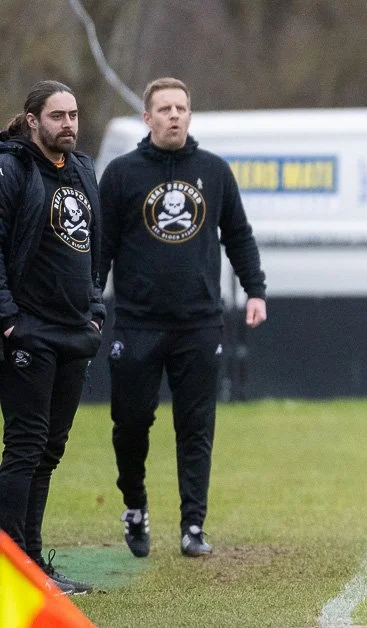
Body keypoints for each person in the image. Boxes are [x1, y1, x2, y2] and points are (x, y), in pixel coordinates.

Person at [96, 77, 267, 559]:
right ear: (147, 118)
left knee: (196, 427)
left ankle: (193, 524)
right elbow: (103, 248)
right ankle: (135, 507)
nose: (174, 115)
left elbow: (238, 234)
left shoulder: (212, 171)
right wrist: (91, 301)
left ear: (190, 115)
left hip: (198, 323)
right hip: (136, 323)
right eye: (164, 108)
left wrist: (255, 290)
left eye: (182, 108)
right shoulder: (123, 174)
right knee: (131, 423)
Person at [0, 80, 107, 594]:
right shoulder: (12, 168)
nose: (68, 124)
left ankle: (33, 563)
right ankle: (12, 567)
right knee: (24, 447)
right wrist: (7, 319)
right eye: (57, 116)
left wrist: (96, 309)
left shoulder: (83, 168)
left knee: (50, 450)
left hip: (73, 331)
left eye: (73, 114)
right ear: (32, 119)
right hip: (29, 332)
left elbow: (96, 247)